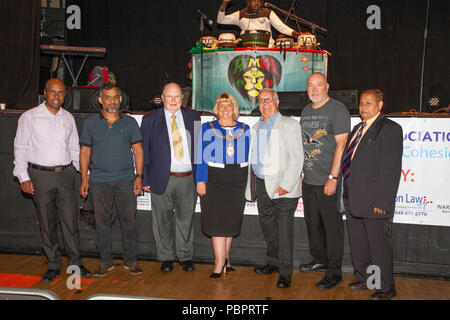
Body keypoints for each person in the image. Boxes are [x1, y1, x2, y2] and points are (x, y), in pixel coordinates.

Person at [13, 78, 91, 282]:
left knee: (70, 221)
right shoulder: (29, 117)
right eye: (53, 92)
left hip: (65, 175)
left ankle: (76, 263)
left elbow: (75, 149)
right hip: (40, 175)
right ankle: (53, 265)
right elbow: (20, 147)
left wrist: (84, 176)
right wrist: (23, 176)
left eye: (61, 93)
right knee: (47, 223)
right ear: (45, 93)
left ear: (65, 95)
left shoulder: (69, 118)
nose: (57, 96)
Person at [342, 89, 402, 300]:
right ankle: (366, 279)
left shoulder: (390, 129)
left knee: (378, 247)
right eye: (361, 103)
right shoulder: (358, 128)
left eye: (368, 103)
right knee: (359, 244)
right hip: (353, 197)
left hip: (374, 200)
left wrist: (383, 201)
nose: (363, 107)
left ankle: (386, 288)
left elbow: (391, 169)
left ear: (380, 105)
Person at [79, 82, 144, 276]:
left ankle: (131, 261)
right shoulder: (91, 123)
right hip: (98, 181)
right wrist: (84, 179)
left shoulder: (130, 122)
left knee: (129, 223)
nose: (112, 101)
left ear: (120, 99)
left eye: (116, 97)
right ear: (100, 100)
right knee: (102, 223)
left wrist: (138, 176)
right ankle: (105, 262)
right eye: (108, 97)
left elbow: (138, 150)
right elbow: (84, 152)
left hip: (125, 180)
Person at [245, 88, 303, 288]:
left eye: (269, 100)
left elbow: (297, 159)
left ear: (277, 102)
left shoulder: (290, 125)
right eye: (261, 101)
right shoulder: (256, 127)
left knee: (284, 231)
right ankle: (273, 262)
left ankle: (285, 272)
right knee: (268, 227)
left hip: (284, 188)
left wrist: (285, 186)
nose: (265, 104)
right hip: (262, 185)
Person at [141, 82, 201, 273]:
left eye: (177, 96)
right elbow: (145, 151)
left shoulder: (194, 117)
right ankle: (166, 257)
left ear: (182, 98)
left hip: (187, 179)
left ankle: (185, 256)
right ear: (163, 97)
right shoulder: (150, 119)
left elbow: (199, 151)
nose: (173, 100)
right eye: (169, 96)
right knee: (161, 221)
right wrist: (145, 178)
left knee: (186, 220)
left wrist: (200, 178)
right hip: (160, 177)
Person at [299, 72, 350, 289]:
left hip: (328, 179)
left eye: (319, 85)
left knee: (332, 227)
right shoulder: (306, 110)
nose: (314, 89)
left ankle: (334, 271)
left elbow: (341, 145)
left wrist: (333, 177)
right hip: (308, 179)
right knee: (313, 224)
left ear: (327, 86)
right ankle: (319, 259)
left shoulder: (337, 109)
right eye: (310, 86)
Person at [196, 93, 250, 278]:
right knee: (217, 222)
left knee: (230, 222)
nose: (225, 109)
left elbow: (250, 158)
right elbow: (201, 156)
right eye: (222, 106)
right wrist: (200, 180)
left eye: (229, 106)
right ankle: (218, 262)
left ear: (234, 109)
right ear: (217, 109)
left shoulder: (245, 128)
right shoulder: (206, 127)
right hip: (214, 179)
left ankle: (226, 258)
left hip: (238, 179)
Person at [218, 0, 300, 47]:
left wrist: (297, 34)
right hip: (248, 52)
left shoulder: (268, 12)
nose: (257, 3)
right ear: (248, 2)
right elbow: (221, 20)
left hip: (269, 49)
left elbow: (281, 27)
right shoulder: (240, 14)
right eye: (254, 0)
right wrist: (224, 4)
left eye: (259, 1)